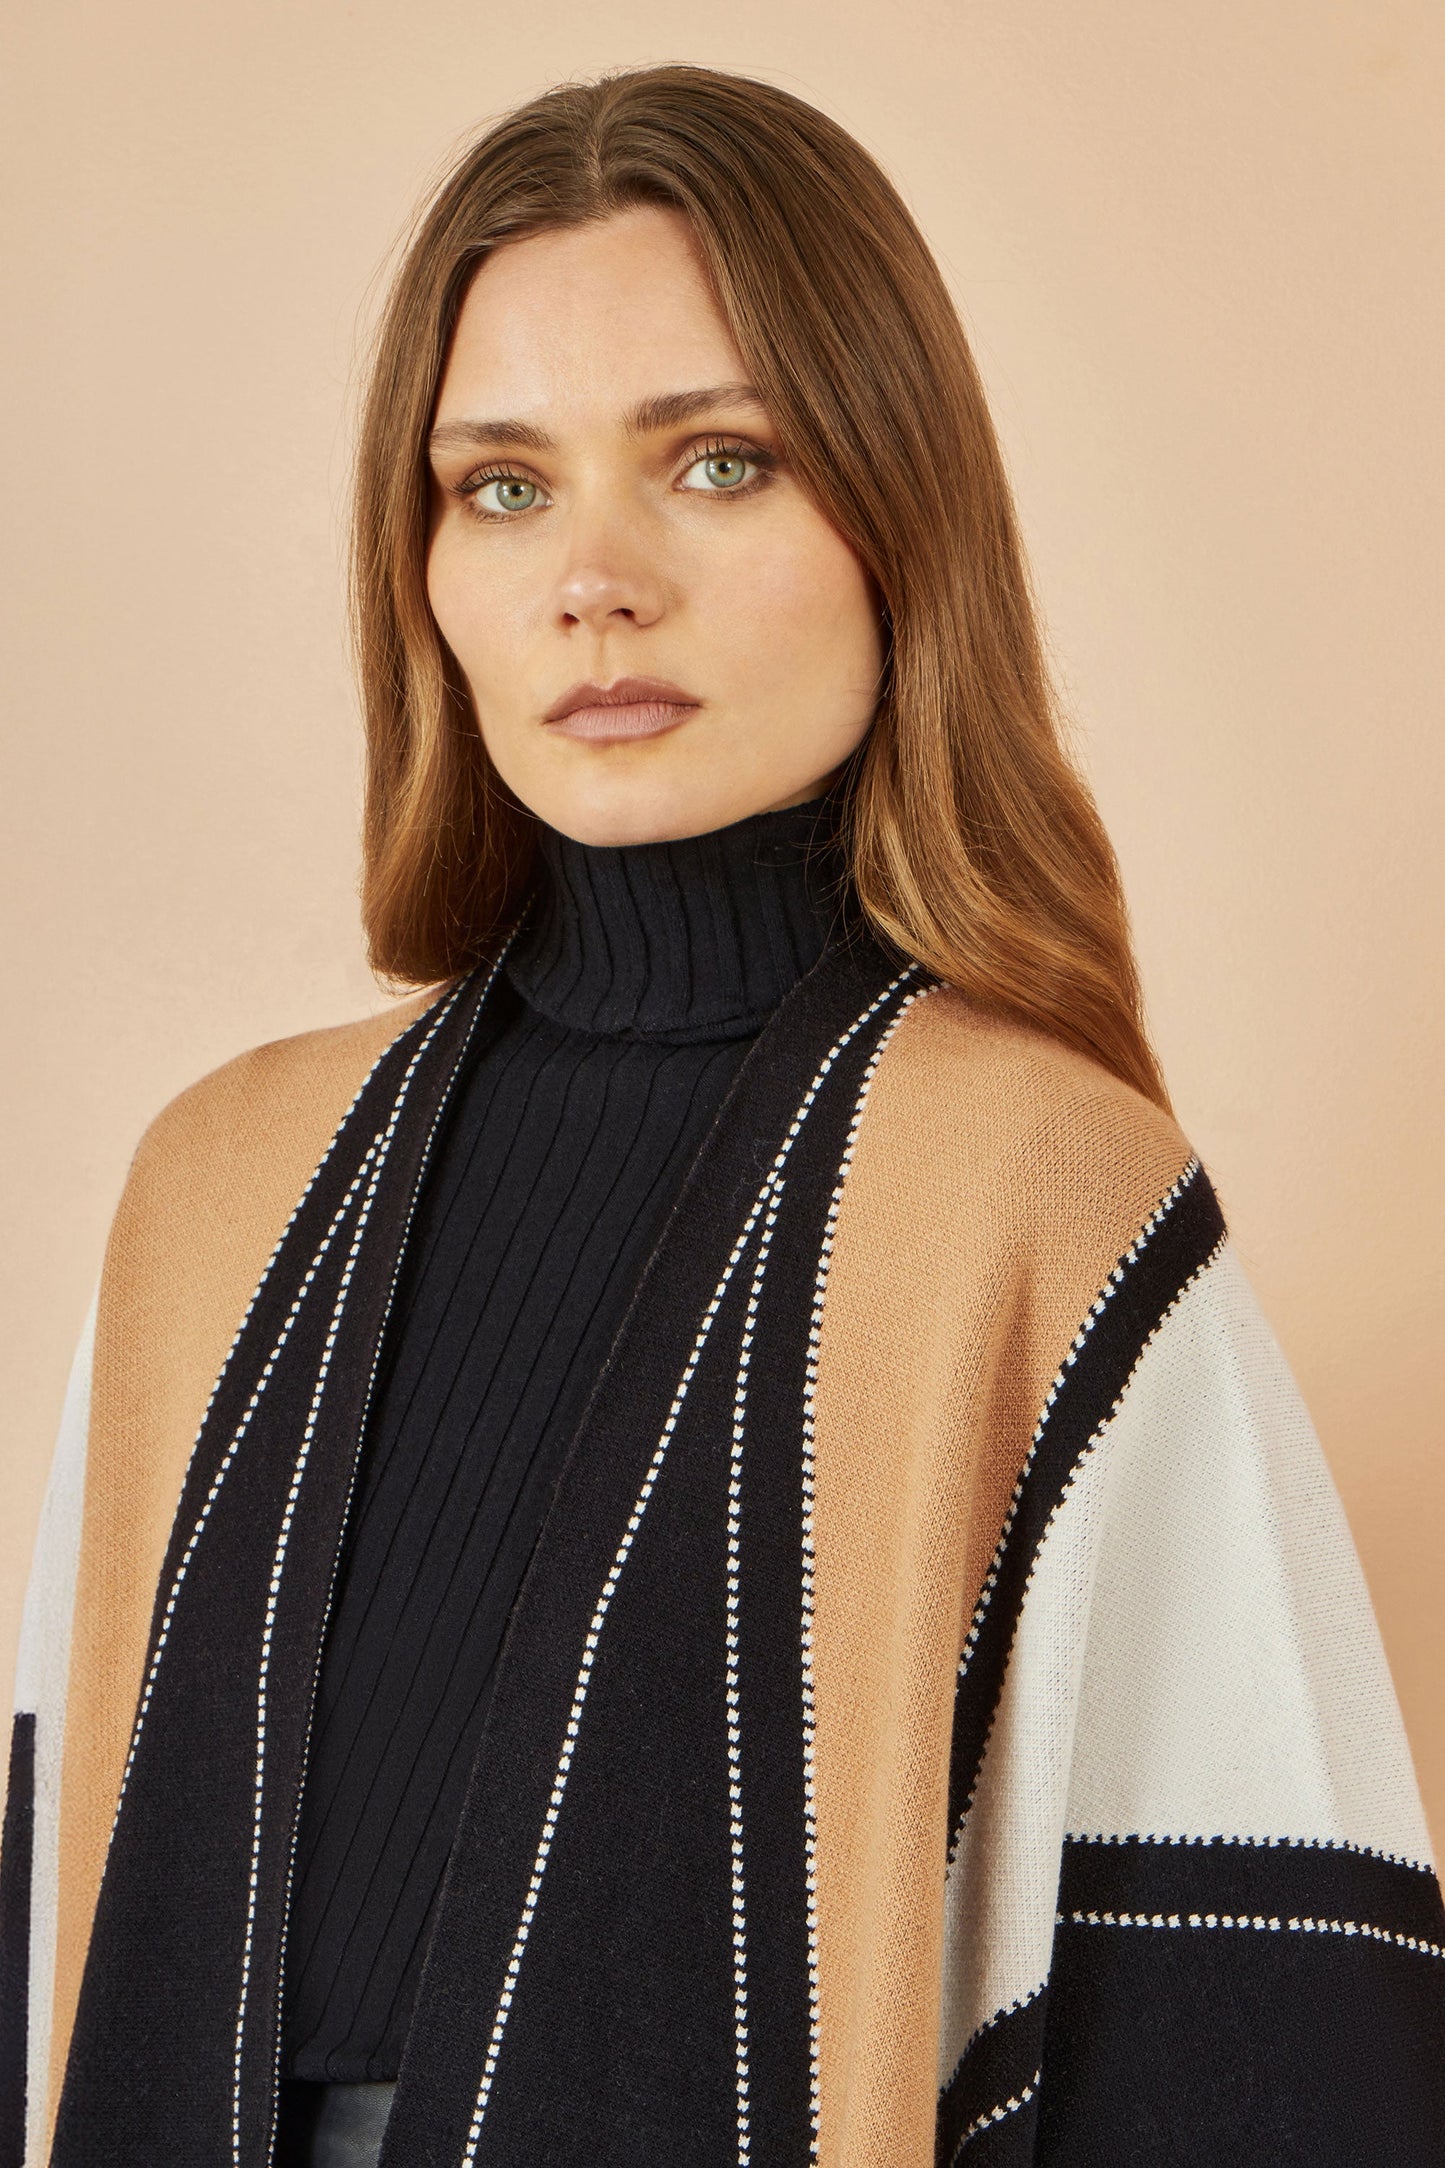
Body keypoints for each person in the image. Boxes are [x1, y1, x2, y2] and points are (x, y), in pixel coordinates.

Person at [3, 62, 1442, 2168]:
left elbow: (1259, 2036)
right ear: (418, 570)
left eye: (718, 461)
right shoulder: (219, 1190)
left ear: (894, 516)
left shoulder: (1031, 1192)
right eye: (500, 485)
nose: (595, 578)